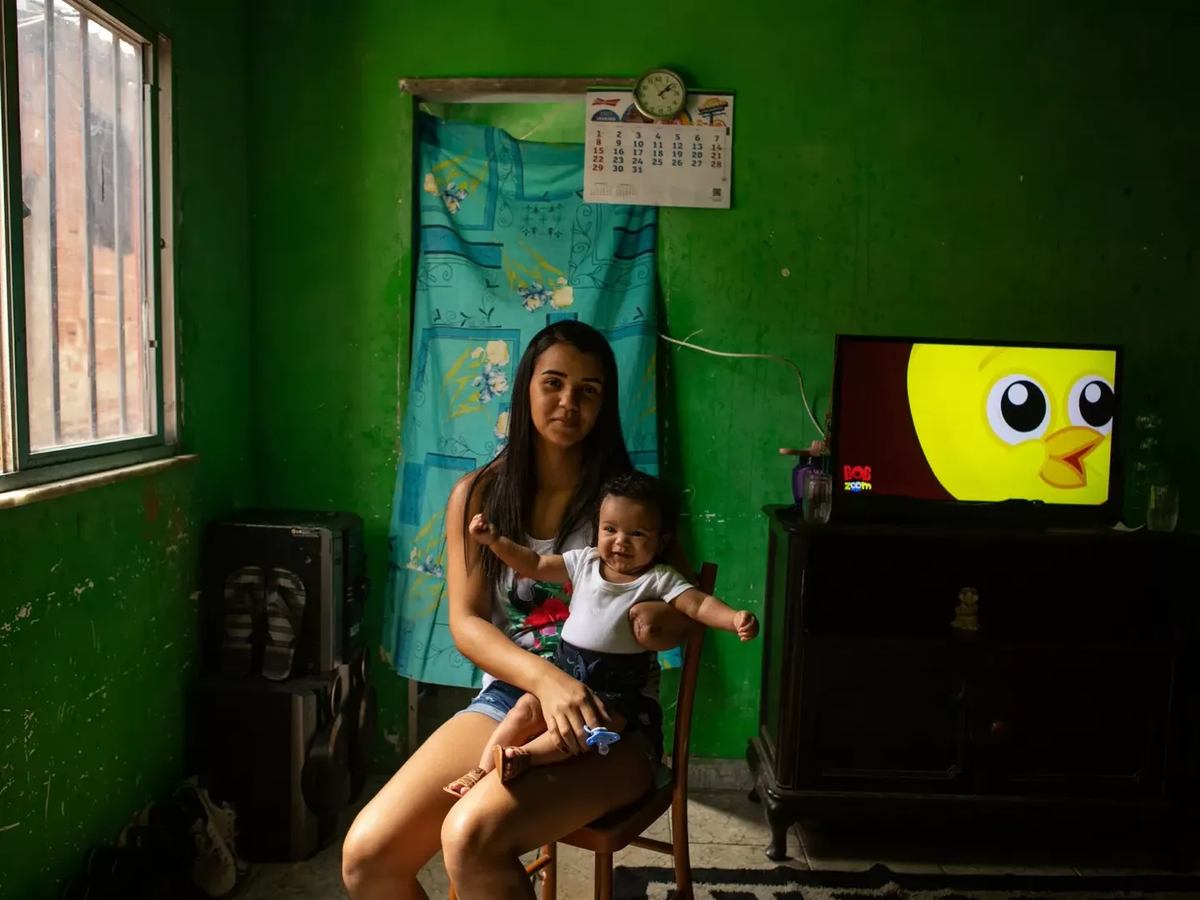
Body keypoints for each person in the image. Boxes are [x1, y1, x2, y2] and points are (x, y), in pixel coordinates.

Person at [342, 322, 704, 900]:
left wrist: (665, 623)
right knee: (367, 857)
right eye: (553, 383)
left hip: (610, 720)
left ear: (605, 402)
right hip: (510, 701)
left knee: (470, 836)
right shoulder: (480, 495)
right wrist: (546, 680)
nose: (569, 402)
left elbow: (687, 608)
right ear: (525, 389)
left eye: (588, 389)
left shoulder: (629, 502)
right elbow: (467, 623)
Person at [443, 469, 759, 797]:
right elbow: (533, 564)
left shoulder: (658, 578)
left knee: (585, 730)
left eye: (637, 534)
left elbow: (698, 605)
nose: (620, 541)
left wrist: (734, 618)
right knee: (523, 710)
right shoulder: (586, 562)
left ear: (660, 541)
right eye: (610, 529)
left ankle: (525, 757)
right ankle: (480, 770)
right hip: (565, 672)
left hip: (615, 690)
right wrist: (495, 540)